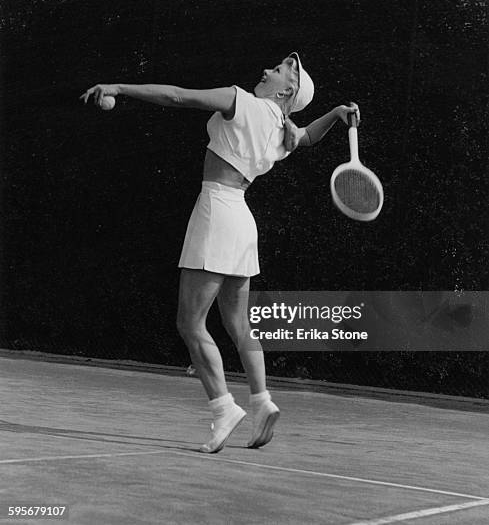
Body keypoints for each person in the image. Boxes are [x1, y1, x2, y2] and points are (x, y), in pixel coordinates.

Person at [80, 54, 359, 453]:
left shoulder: (241, 101)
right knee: (237, 322)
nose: (266, 70)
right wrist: (335, 113)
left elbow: (178, 97)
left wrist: (119, 87)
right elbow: (309, 137)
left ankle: (223, 407)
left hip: (216, 211)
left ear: (287, 90)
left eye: (278, 70)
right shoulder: (281, 128)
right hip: (243, 222)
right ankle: (262, 402)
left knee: (190, 323)